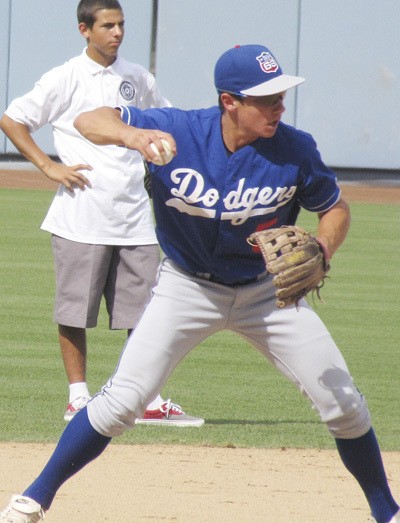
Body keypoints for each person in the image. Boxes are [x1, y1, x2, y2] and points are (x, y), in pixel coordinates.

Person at [0, 43, 398, 523]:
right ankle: (33, 499)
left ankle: (388, 512)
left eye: (281, 95)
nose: (279, 107)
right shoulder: (180, 130)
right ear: (230, 101)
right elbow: (90, 120)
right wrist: (132, 136)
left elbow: (334, 207)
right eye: (265, 98)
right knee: (122, 402)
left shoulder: (295, 147)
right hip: (186, 287)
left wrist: (325, 247)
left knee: (344, 404)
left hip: (266, 295)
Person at [0, 0, 203, 427]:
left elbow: (164, 118)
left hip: (135, 217)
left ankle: (145, 398)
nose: (117, 33)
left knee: (145, 315)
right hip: (81, 216)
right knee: (75, 313)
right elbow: (13, 119)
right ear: (84, 30)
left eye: (121, 24)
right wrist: (48, 165)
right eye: (107, 25)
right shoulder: (65, 77)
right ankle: (78, 398)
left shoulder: (137, 77)